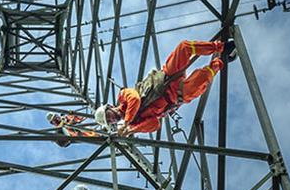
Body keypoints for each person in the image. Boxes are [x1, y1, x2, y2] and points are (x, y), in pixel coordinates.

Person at [94, 39, 229, 136]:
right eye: (110, 122)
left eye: (108, 116)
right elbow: (154, 124)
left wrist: (126, 123)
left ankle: (219, 47)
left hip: (167, 76)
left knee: (184, 47)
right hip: (175, 96)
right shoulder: (135, 123)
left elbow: (135, 99)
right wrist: (131, 129)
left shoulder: (123, 96)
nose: (112, 119)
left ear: (109, 107)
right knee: (199, 82)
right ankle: (220, 61)